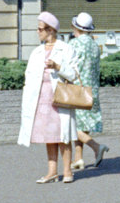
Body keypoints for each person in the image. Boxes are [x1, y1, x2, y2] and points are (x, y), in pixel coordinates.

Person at [17, 11, 79, 184]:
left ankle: (67, 171)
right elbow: (29, 77)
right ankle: (52, 172)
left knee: (63, 135)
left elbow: (75, 74)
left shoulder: (66, 49)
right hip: (41, 100)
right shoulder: (37, 52)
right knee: (48, 136)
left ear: (50, 30)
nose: (38, 32)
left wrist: (58, 66)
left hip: (60, 98)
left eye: (40, 29)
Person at [68, 12, 109, 170]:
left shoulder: (74, 43)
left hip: (77, 89)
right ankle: (78, 158)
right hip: (92, 89)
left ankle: (96, 147)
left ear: (75, 27)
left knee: (70, 126)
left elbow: (68, 66)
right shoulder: (94, 45)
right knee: (82, 125)